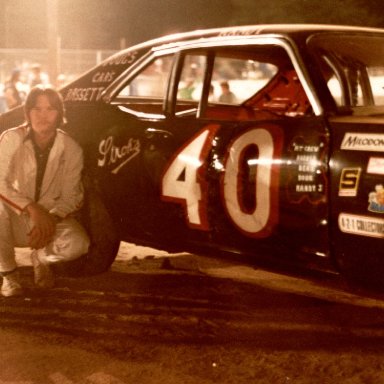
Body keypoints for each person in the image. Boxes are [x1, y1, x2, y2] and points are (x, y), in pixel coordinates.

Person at [0, 86, 90, 297]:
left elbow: (72, 195)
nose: (43, 115)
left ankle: (41, 259)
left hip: (49, 218)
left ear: (60, 113)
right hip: (14, 216)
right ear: (27, 112)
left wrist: (49, 218)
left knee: (79, 244)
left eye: (50, 109)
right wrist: (32, 209)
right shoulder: (12, 138)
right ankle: (9, 274)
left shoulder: (70, 147)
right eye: (37, 109)